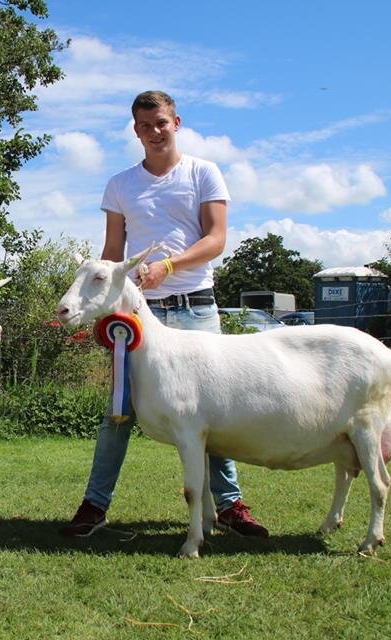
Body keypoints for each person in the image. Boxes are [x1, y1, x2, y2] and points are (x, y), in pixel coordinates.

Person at [61, 90, 269, 539]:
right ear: (135, 131)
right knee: (119, 411)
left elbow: (216, 240)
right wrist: (102, 307)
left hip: (196, 307)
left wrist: (170, 266)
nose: (154, 132)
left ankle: (230, 506)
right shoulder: (120, 185)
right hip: (138, 321)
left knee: (216, 411)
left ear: (177, 123)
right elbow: (113, 255)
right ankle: (94, 506)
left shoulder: (204, 172)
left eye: (162, 123)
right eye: (144, 126)